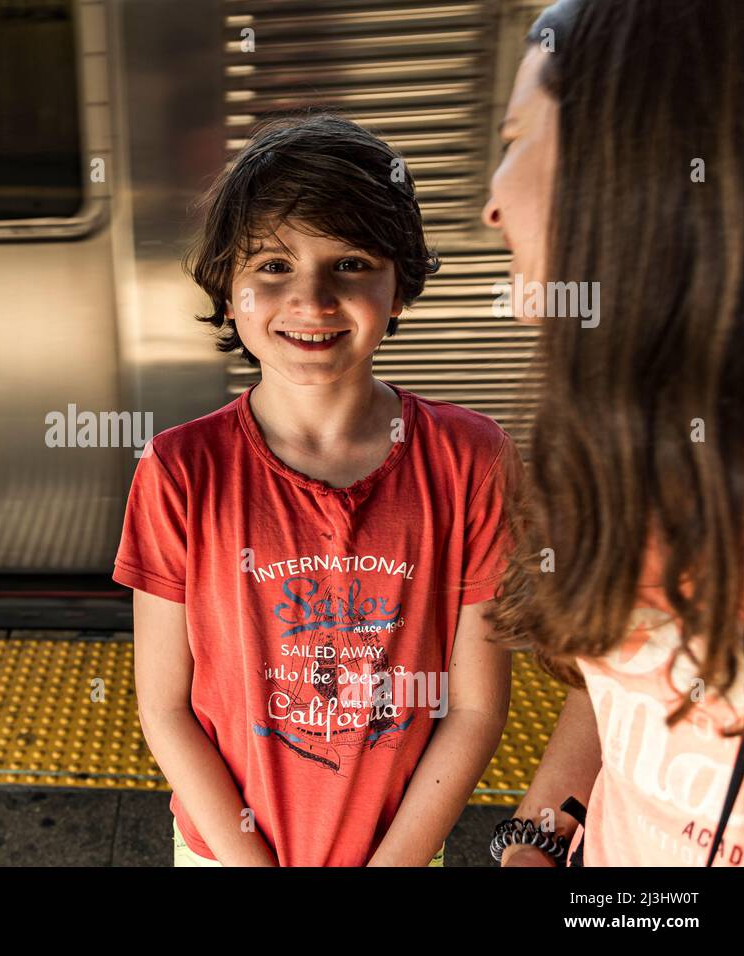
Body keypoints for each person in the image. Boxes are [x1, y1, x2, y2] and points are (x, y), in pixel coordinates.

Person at [112, 111, 518, 866]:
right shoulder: (179, 471)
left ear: (399, 288)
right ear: (227, 290)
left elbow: (474, 707)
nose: (312, 299)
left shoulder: (473, 461)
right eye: (271, 266)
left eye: (351, 263)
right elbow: (166, 707)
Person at [484, 0, 744, 866]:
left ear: (623, 168)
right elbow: (625, 673)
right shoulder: (632, 443)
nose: (492, 204)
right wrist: (539, 830)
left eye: (517, 136)